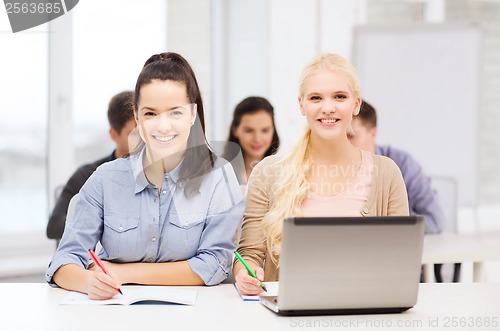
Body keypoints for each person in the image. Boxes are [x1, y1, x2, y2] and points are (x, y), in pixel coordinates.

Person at [46, 52, 244, 299]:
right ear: (137, 116)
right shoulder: (105, 179)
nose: (163, 126)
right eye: (150, 113)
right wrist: (88, 281)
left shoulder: (218, 177)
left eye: (175, 112)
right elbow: (64, 261)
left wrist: (123, 273)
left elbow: (214, 264)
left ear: (193, 114)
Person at [234, 53, 409, 295]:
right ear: (302, 105)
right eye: (316, 98)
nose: (328, 108)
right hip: (289, 316)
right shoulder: (268, 173)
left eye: (340, 97)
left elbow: (400, 259)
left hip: (365, 312)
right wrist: (245, 274)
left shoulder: (386, 173)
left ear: (356, 104)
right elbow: (249, 255)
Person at [46, 91, 136, 242]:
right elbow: (54, 226)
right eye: (134, 133)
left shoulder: (156, 175)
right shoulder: (87, 175)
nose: (143, 139)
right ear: (114, 135)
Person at [348, 100, 444, 234]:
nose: (344, 144)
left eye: (351, 136)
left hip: (392, 246)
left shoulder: (403, 164)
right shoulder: (327, 168)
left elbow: (435, 221)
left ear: (373, 133)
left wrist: (395, 218)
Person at [223, 96, 280, 184]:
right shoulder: (220, 173)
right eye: (249, 131)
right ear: (235, 130)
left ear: (273, 130)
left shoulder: (283, 173)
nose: (257, 139)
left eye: (265, 130)